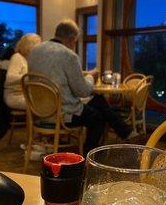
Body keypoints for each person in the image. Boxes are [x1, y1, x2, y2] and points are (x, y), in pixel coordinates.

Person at [28, 18, 137, 155]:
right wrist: (91, 75)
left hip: (39, 111)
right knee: (98, 118)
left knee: (98, 100)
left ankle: (125, 132)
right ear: (72, 39)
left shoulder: (34, 51)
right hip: (63, 114)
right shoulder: (68, 55)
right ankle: (88, 157)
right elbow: (83, 91)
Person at [4, 33, 41, 110]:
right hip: (15, 96)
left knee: (48, 101)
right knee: (44, 103)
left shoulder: (28, 60)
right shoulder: (17, 57)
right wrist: (29, 78)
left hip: (25, 94)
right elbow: (9, 79)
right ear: (30, 46)